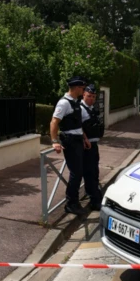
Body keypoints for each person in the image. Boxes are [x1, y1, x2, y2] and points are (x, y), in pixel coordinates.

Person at [49, 76, 89, 216]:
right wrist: (54, 141)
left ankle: (74, 202)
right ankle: (71, 204)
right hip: (70, 141)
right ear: (77, 88)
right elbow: (54, 122)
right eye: (82, 89)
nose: (83, 91)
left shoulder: (75, 102)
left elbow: (78, 124)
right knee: (76, 173)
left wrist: (85, 138)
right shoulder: (64, 103)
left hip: (78, 140)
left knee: (79, 172)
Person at [81, 84, 104, 210]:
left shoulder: (91, 108)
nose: (91, 99)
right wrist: (85, 139)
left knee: (95, 172)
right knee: (89, 173)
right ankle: (94, 199)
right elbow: (78, 127)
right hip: (86, 146)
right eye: (89, 96)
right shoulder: (80, 109)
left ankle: (95, 195)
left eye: (94, 97)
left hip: (94, 145)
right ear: (84, 94)